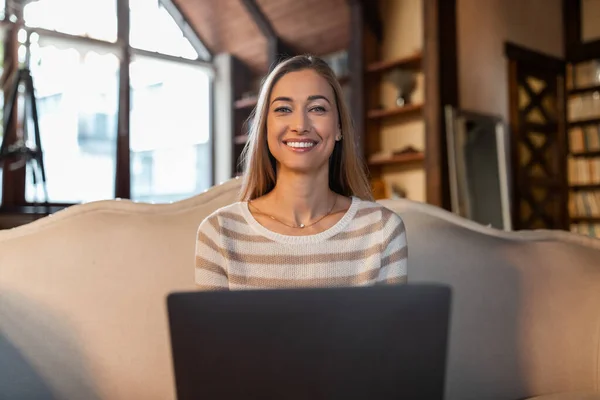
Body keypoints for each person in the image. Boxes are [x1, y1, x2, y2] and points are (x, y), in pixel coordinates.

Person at [195, 54, 407, 291]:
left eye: (317, 108)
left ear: (338, 128)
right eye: (283, 109)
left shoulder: (382, 229)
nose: (300, 125)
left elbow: (390, 329)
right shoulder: (220, 232)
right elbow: (213, 330)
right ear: (265, 128)